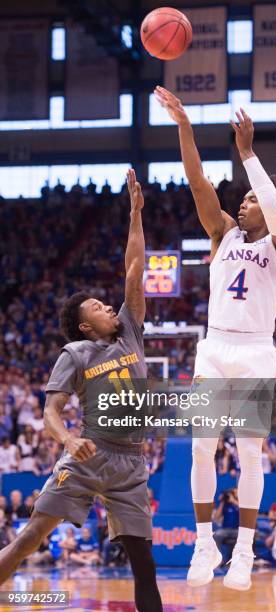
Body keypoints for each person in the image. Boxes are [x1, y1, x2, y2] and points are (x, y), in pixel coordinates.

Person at [155, 85, 276, 591]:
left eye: (250, 201)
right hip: (215, 349)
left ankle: (243, 551)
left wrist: (247, 154)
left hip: (258, 351)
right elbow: (197, 184)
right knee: (200, 449)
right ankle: (203, 542)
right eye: (240, 200)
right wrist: (185, 128)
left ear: (268, 205)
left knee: (252, 455)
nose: (241, 206)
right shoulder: (222, 235)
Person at [0, 170, 163, 612]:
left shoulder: (130, 331)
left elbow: (134, 266)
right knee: (31, 537)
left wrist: (135, 215)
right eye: (98, 307)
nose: (110, 305)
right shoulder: (76, 352)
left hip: (131, 462)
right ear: (85, 324)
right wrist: (68, 439)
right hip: (90, 455)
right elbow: (50, 410)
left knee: (143, 561)